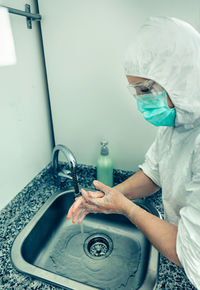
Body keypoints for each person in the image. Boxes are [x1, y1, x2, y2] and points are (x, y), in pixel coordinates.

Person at [67, 17, 200, 288]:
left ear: (181, 78)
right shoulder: (178, 120)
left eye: (146, 90)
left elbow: (187, 251)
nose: (142, 102)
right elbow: (154, 171)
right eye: (136, 91)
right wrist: (112, 195)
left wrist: (125, 208)